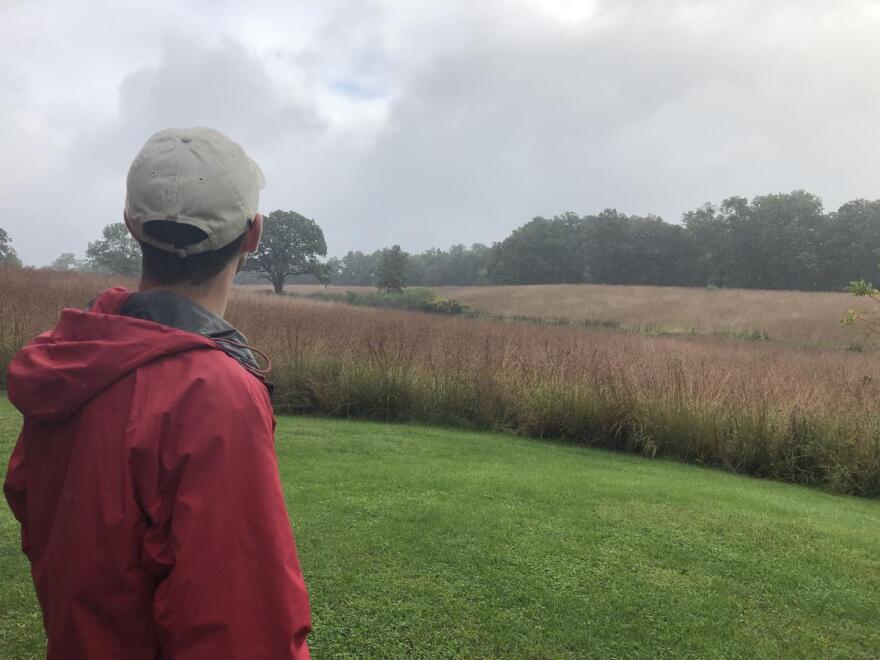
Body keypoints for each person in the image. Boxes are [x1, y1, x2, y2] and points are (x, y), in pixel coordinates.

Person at [4, 128, 312, 659]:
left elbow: (30, 503)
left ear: (130, 226)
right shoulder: (213, 393)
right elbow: (243, 625)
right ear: (253, 235)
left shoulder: (71, 359)